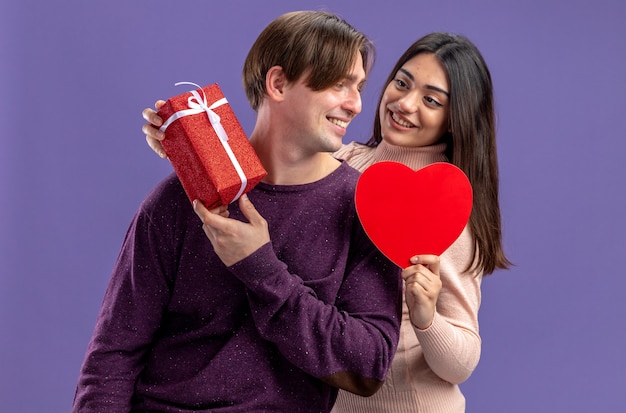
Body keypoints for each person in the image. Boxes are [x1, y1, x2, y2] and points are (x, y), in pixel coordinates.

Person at [142, 31, 510, 412]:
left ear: (454, 119)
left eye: (431, 100)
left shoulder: (443, 206)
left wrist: (427, 318)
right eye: (401, 83)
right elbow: (267, 180)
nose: (405, 103)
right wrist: (188, 148)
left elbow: (461, 364)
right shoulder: (340, 164)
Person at [73, 11, 406, 413]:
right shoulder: (178, 200)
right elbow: (112, 356)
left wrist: (260, 268)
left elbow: (368, 366)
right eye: (339, 85)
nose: (355, 104)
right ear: (278, 83)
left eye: (359, 87)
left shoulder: (365, 209)